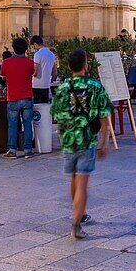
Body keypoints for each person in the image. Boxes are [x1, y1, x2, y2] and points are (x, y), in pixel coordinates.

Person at [50, 47, 111, 240]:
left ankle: (80, 213)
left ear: (69, 66)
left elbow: (56, 115)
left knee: (74, 178)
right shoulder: (95, 86)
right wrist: (104, 142)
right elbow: (104, 116)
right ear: (85, 65)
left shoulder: (61, 88)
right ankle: (76, 223)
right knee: (83, 182)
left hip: (68, 140)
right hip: (87, 139)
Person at [0, 37, 34, 158]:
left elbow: (2, 75)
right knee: (28, 124)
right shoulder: (30, 62)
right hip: (27, 97)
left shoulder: (6, 62)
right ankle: (27, 149)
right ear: (25, 49)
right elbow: (33, 72)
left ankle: (12, 150)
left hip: (13, 97)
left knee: (12, 124)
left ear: (13, 49)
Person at [30, 35, 57, 103]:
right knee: (45, 108)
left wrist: (30, 75)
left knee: (38, 108)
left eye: (33, 46)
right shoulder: (52, 54)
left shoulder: (37, 54)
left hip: (37, 85)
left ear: (35, 44)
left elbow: (36, 72)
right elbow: (54, 73)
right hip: (46, 85)